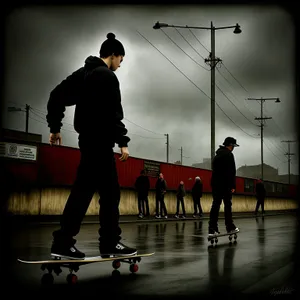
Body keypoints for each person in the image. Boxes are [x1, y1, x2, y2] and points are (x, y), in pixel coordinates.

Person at [46, 32, 137, 259]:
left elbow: (56, 95)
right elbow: (113, 113)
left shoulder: (83, 74)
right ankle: (98, 243)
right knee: (103, 194)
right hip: (100, 143)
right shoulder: (107, 76)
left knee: (93, 191)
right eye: (120, 60)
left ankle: (75, 241)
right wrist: (123, 142)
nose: (120, 65)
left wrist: (55, 127)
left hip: (87, 141)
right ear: (114, 55)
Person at [208, 137, 240, 236]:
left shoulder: (216, 156)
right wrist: (233, 185)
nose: (233, 148)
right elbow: (232, 171)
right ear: (230, 146)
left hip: (216, 184)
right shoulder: (229, 155)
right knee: (227, 205)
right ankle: (230, 227)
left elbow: (214, 170)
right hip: (225, 185)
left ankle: (212, 229)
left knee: (215, 205)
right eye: (233, 146)